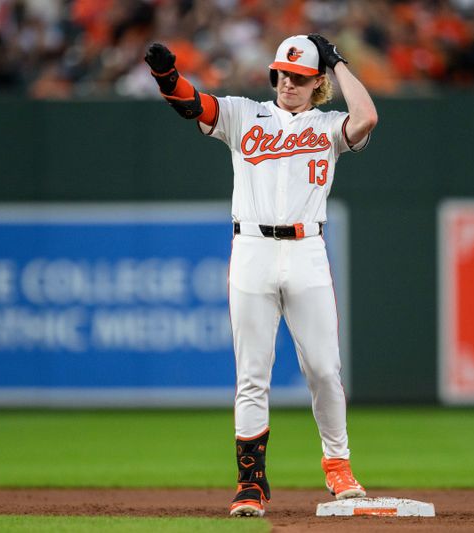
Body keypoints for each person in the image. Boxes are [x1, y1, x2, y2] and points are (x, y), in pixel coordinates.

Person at [145, 33, 377, 517]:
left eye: (299, 76)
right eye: (282, 73)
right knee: (252, 373)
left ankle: (338, 464)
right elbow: (193, 104)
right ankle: (250, 483)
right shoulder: (244, 114)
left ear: (316, 83)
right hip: (251, 247)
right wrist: (168, 77)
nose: (287, 82)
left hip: (307, 248)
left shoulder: (329, 125)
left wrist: (338, 62)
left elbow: (368, 117)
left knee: (324, 370)